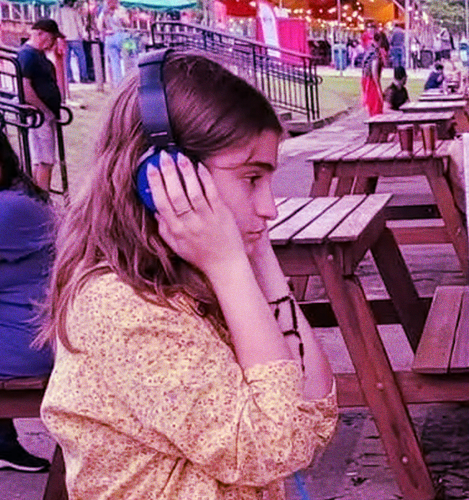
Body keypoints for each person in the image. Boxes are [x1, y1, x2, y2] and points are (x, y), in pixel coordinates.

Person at [38, 52, 337, 498]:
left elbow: (314, 416)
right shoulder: (121, 304)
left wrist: (258, 255)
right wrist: (231, 265)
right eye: (251, 179)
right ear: (162, 178)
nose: (270, 207)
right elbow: (271, 447)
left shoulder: (202, 281)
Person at [0, 133, 55, 474]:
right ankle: (3, 443)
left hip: (28, 345)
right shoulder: (18, 198)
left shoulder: (9, 209)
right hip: (28, 337)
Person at [18, 19, 64, 191]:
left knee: (44, 161)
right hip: (39, 116)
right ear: (40, 33)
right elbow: (25, 87)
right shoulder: (28, 55)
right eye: (51, 38)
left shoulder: (39, 55)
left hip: (43, 115)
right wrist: (44, 111)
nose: (52, 43)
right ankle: (41, 199)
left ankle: (39, 196)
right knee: (44, 161)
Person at [57, 0, 92, 84]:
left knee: (66, 59)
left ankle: (69, 77)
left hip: (64, 37)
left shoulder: (60, 12)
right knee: (81, 57)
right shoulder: (75, 12)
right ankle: (84, 77)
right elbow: (79, 25)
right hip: (75, 37)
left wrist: (60, 35)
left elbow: (58, 24)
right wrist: (82, 35)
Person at [97, 0, 126, 87]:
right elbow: (127, 22)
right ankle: (127, 81)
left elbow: (99, 27)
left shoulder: (103, 13)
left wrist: (105, 31)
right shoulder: (120, 10)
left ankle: (118, 83)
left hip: (109, 37)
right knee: (126, 59)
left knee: (114, 61)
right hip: (121, 35)